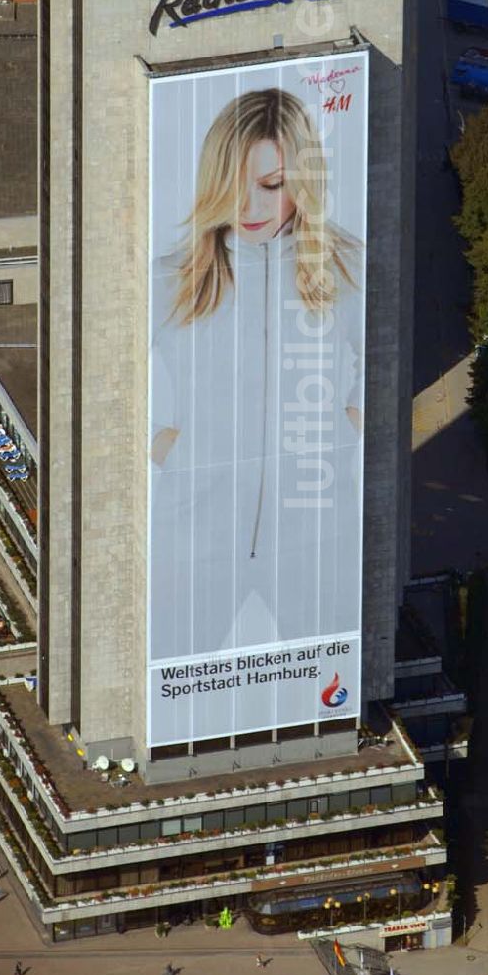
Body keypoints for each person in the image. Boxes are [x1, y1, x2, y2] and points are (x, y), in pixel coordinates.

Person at [149, 83, 365, 668]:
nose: (249, 208)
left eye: (271, 186)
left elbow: (382, 368)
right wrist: (166, 443)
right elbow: (110, 386)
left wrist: (347, 425)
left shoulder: (347, 268)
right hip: (198, 535)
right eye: (233, 186)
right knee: (174, 682)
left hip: (314, 535)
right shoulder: (171, 277)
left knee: (327, 687)